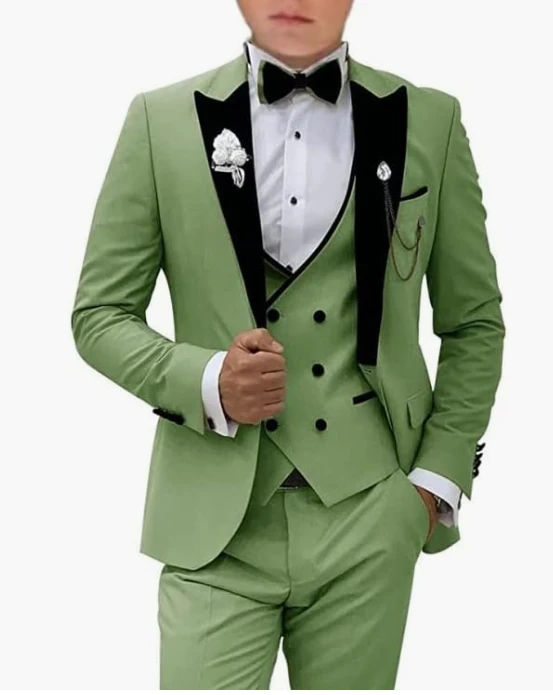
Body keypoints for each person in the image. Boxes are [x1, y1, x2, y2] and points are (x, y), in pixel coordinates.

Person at [71, 0, 505, 688]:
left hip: (370, 513)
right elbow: (99, 314)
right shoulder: (160, 121)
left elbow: (474, 320)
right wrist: (207, 380)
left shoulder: (430, 120)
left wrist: (434, 481)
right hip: (212, 521)